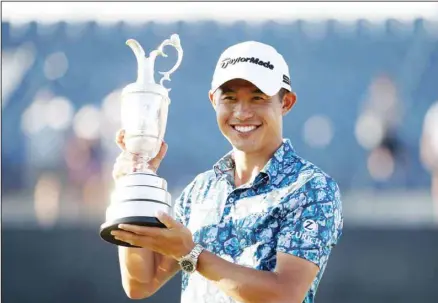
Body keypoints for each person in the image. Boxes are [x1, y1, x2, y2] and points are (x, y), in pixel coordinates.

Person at [110, 41, 344, 303]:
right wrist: (133, 187)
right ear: (213, 101)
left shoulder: (311, 188)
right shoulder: (200, 190)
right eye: (230, 98)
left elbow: (284, 294)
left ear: (286, 102)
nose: (242, 113)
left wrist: (192, 254)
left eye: (258, 98)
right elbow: (141, 283)